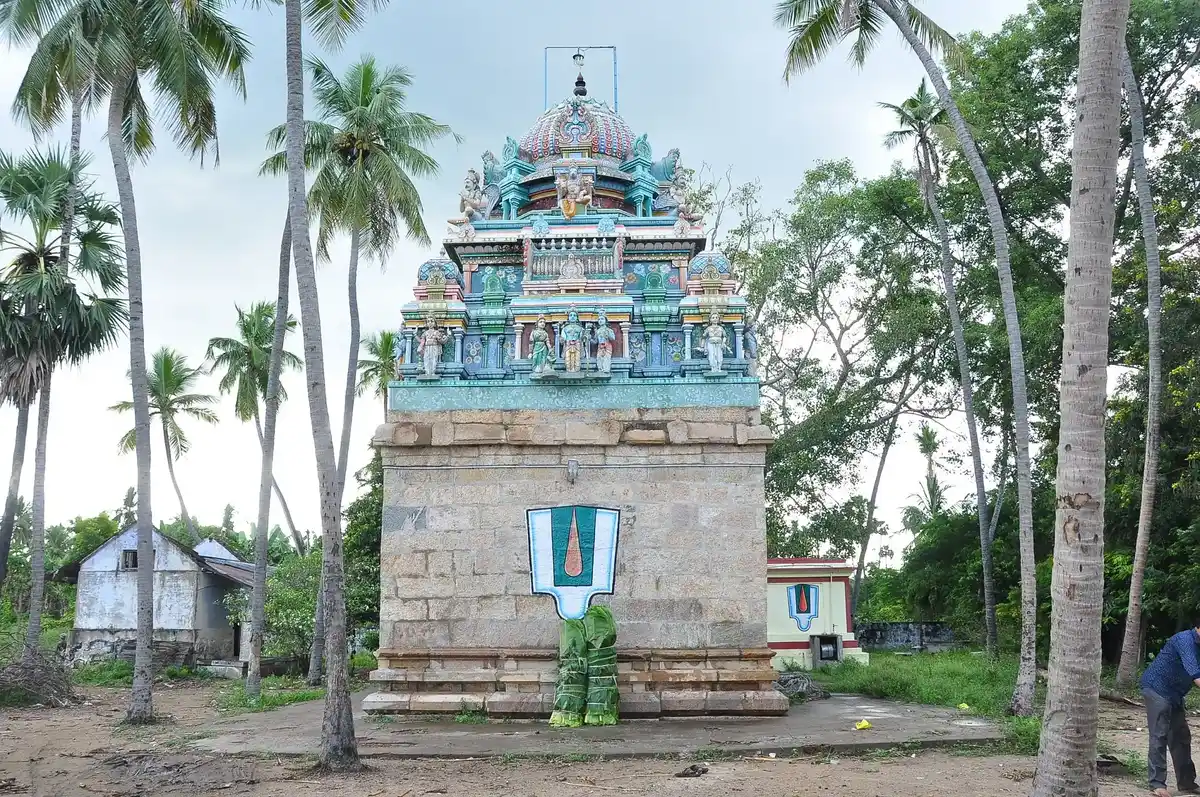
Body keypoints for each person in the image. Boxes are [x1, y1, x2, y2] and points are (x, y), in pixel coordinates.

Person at [1141, 618, 1200, 796]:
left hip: (1175, 694)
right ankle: (1157, 784)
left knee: (1181, 736)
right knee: (1159, 734)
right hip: (1156, 688)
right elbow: (1195, 672)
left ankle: (1187, 783)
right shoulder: (1184, 640)